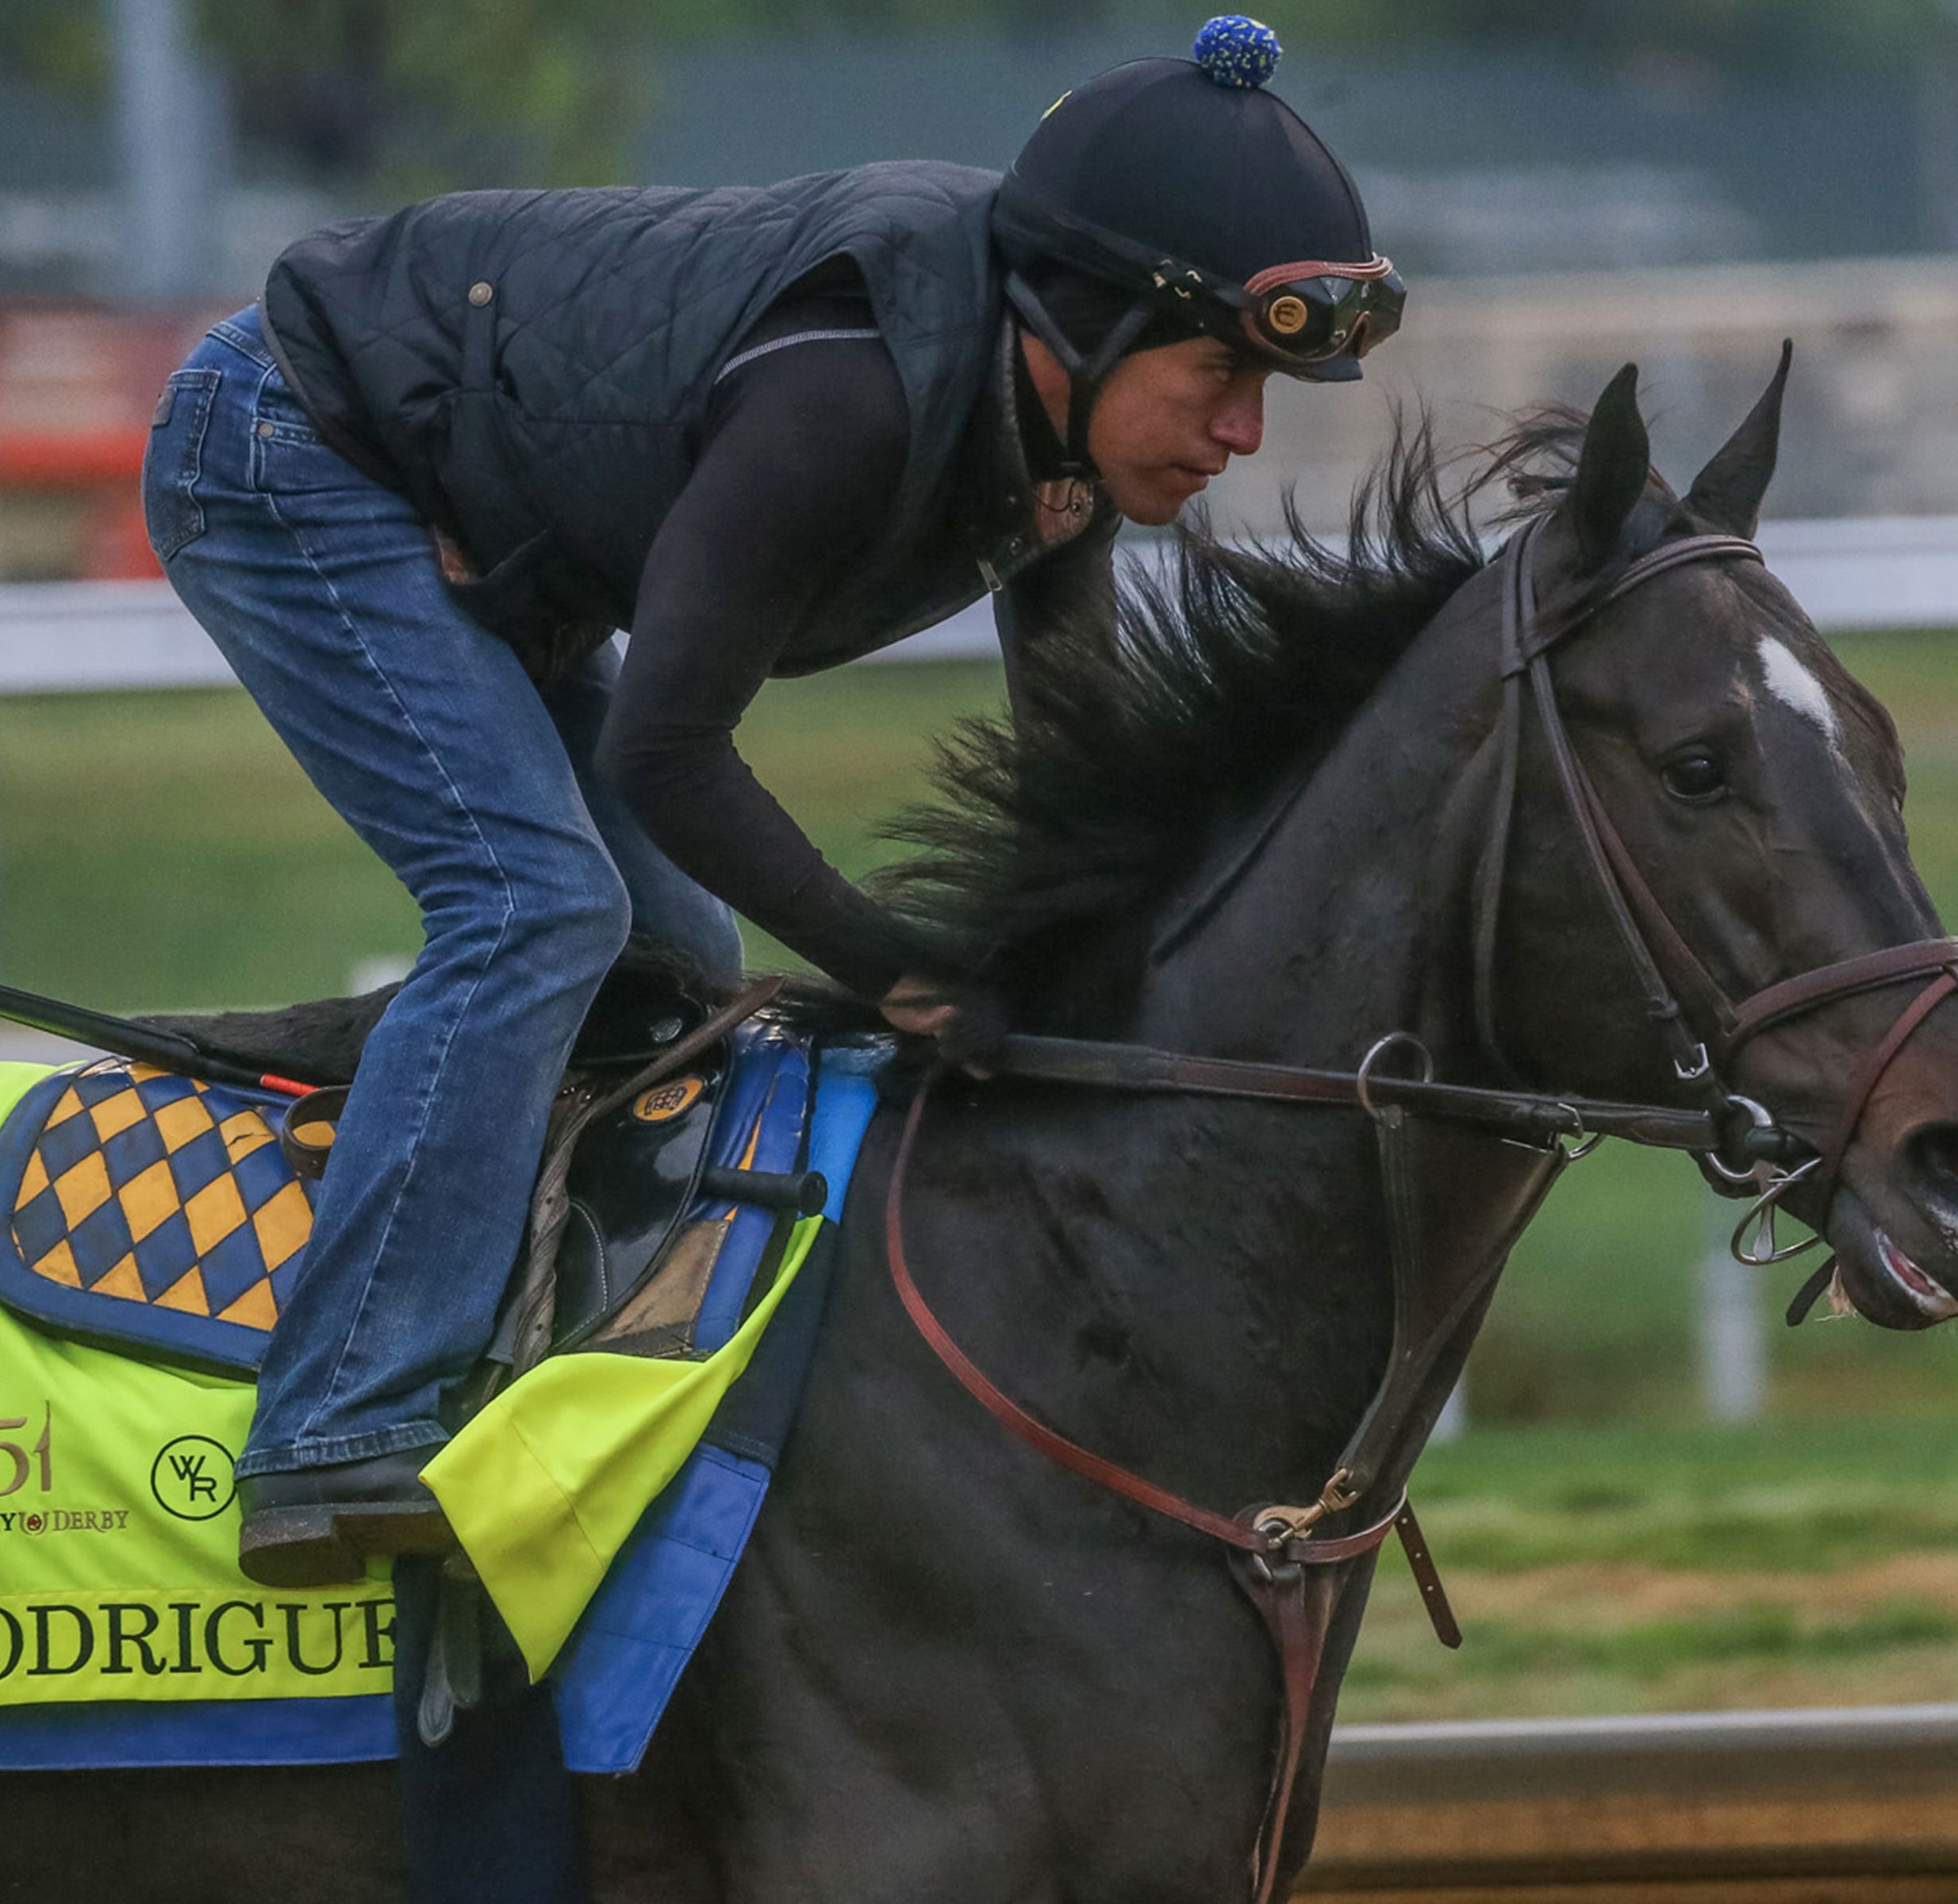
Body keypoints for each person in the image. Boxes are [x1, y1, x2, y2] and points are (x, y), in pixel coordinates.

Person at [140, 14, 1405, 1589]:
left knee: (677, 971)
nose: (1241, 432)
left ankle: (534, 1358)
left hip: (467, 494)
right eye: (1220, 370)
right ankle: (329, 1435)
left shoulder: (1049, 413)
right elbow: (665, 750)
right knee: (538, 907)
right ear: (1079, 322)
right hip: (293, 448)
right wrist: (901, 969)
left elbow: (1082, 764)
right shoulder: (852, 398)